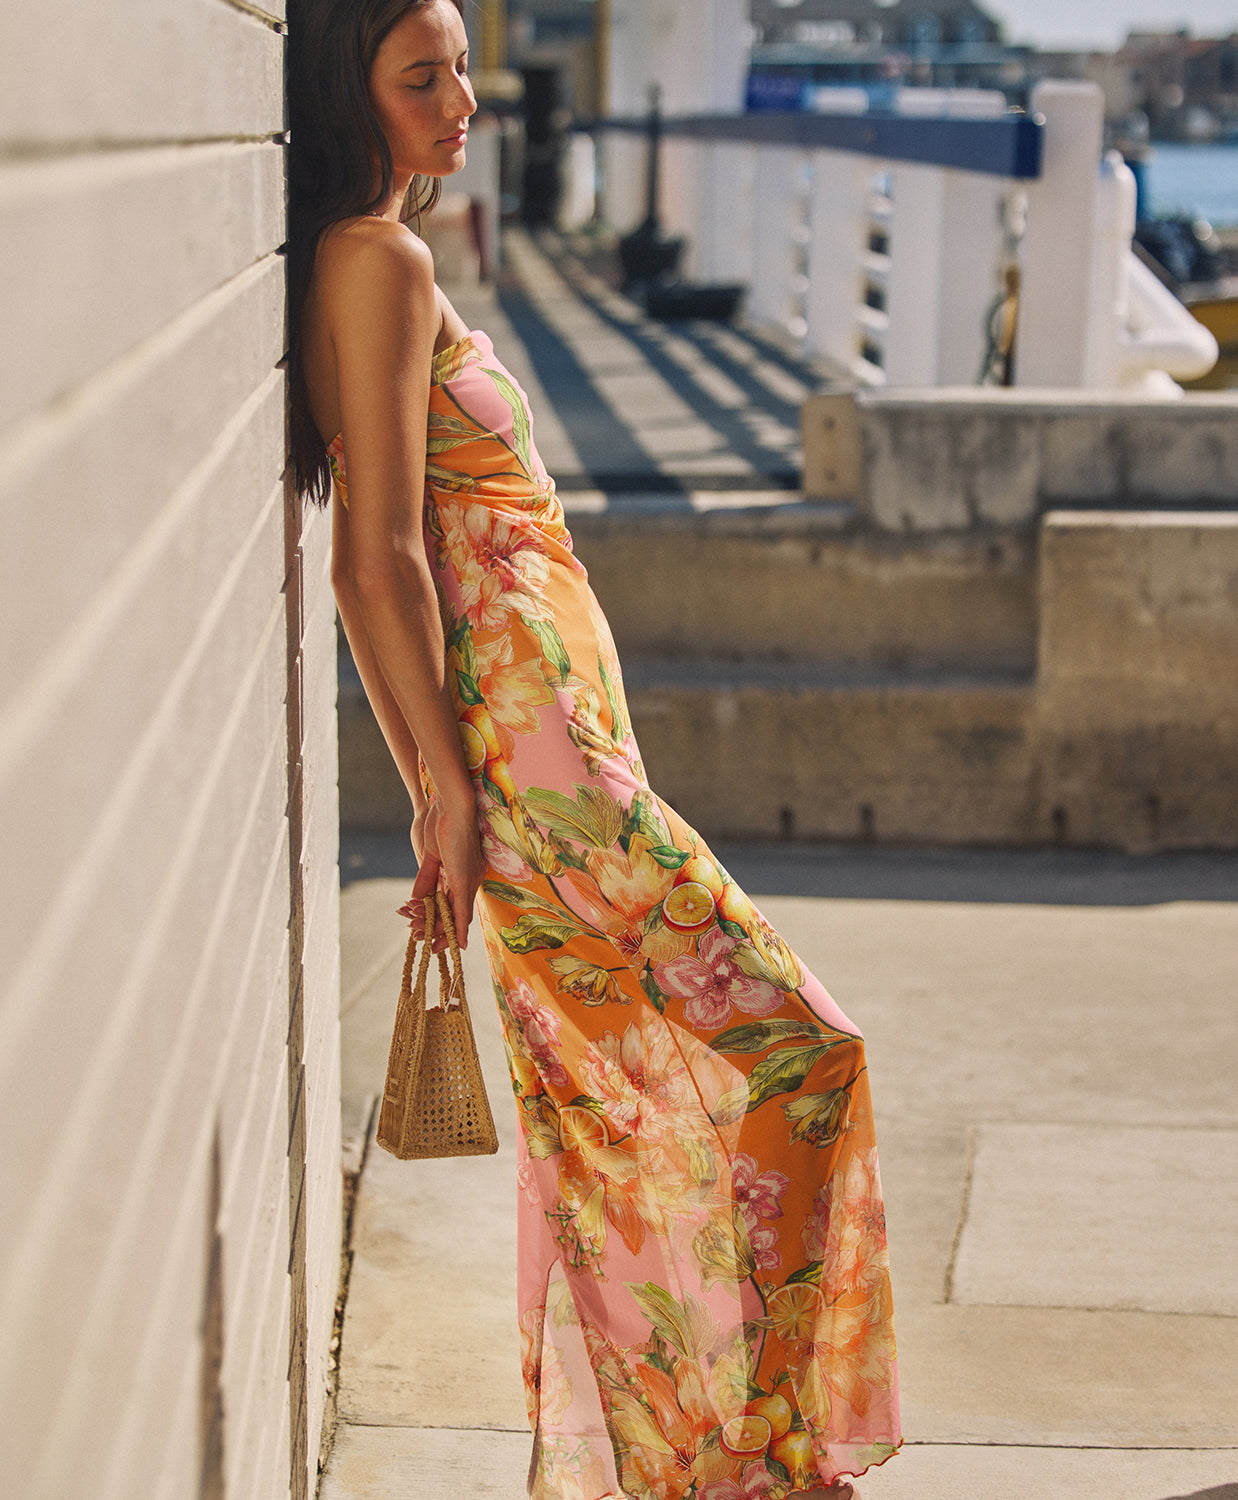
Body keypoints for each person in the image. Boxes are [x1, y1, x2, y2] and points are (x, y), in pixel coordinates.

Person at [287, 4, 901, 1496]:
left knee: (616, 1103)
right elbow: (373, 561)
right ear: (342, 91)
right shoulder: (380, 259)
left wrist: (458, 781)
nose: (462, 100)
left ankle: (707, 1462)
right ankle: (748, 1455)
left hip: (551, 754)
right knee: (795, 1053)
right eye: (418, 75)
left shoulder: (371, 254)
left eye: (461, 66)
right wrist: (443, 788)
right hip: (541, 765)